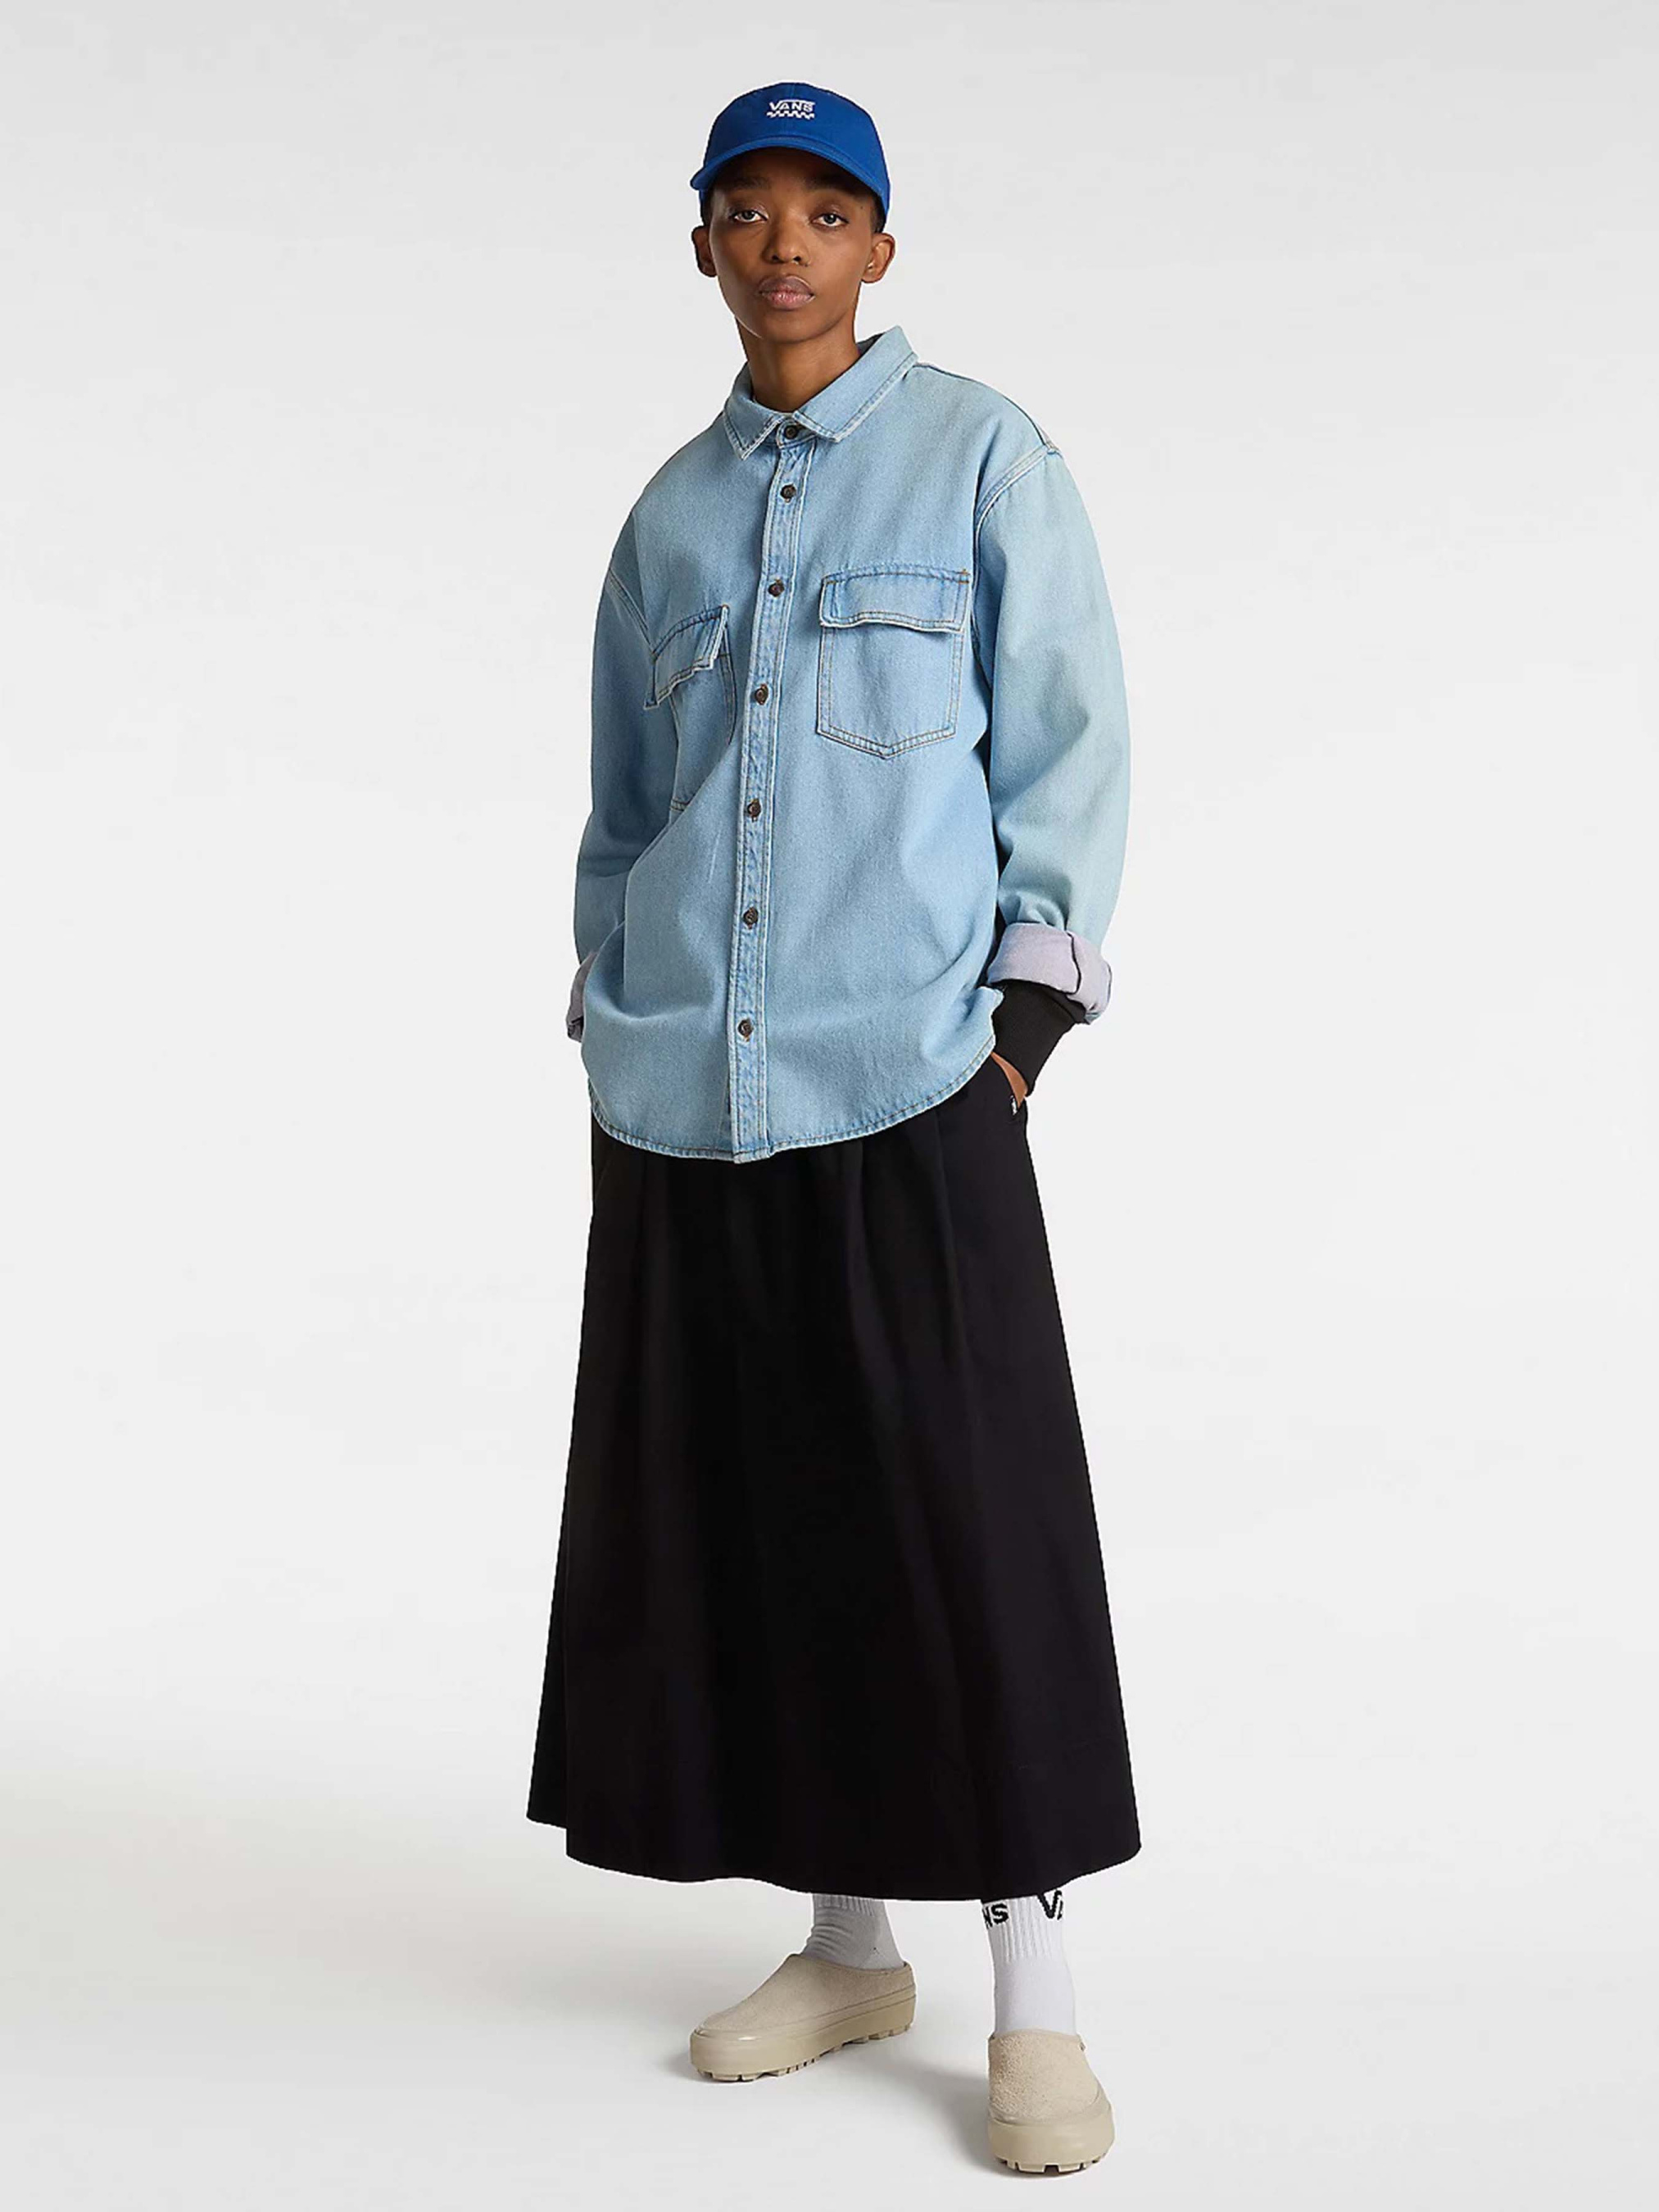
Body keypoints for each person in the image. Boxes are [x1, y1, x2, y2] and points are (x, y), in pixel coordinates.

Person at [527, 80, 1140, 2176]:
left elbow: (1064, 748)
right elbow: (624, 813)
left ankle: (1033, 1996)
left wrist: (1019, 1037)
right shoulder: (666, 523)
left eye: (823, 207)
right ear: (700, 242)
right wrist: (610, 1014)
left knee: (964, 1521)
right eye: (744, 206)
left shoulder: (982, 456)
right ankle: (848, 1941)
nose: (782, 241)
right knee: (768, 1514)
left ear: (879, 245)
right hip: (687, 1095)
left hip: (907, 1071)